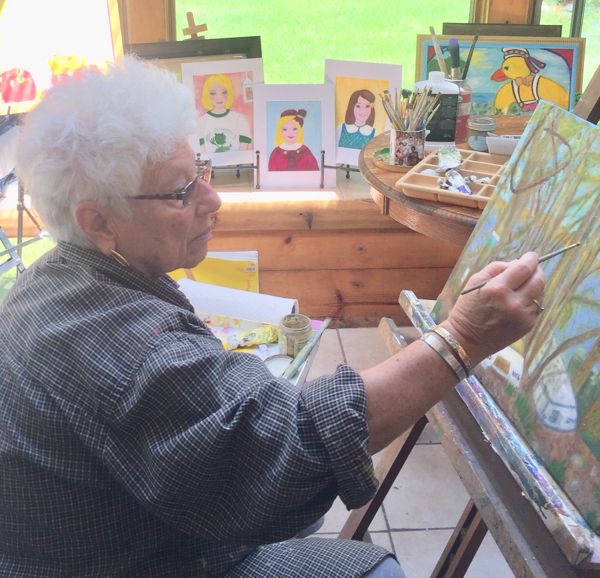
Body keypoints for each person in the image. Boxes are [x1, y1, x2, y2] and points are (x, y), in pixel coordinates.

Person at [0, 56, 545, 577]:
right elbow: (287, 452)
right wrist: (461, 339)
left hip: (127, 534)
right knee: (370, 564)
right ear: (98, 221)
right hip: (147, 563)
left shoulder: (53, 280)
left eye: (202, 174)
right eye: (181, 192)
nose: (212, 200)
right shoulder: (125, 348)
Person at [197, 73, 252, 154]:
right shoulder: (201, 121)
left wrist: (238, 163)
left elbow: (245, 143)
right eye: (213, 93)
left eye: (224, 92)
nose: (219, 97)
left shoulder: (238, 118)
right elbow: (201, 149)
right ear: (207, 95)